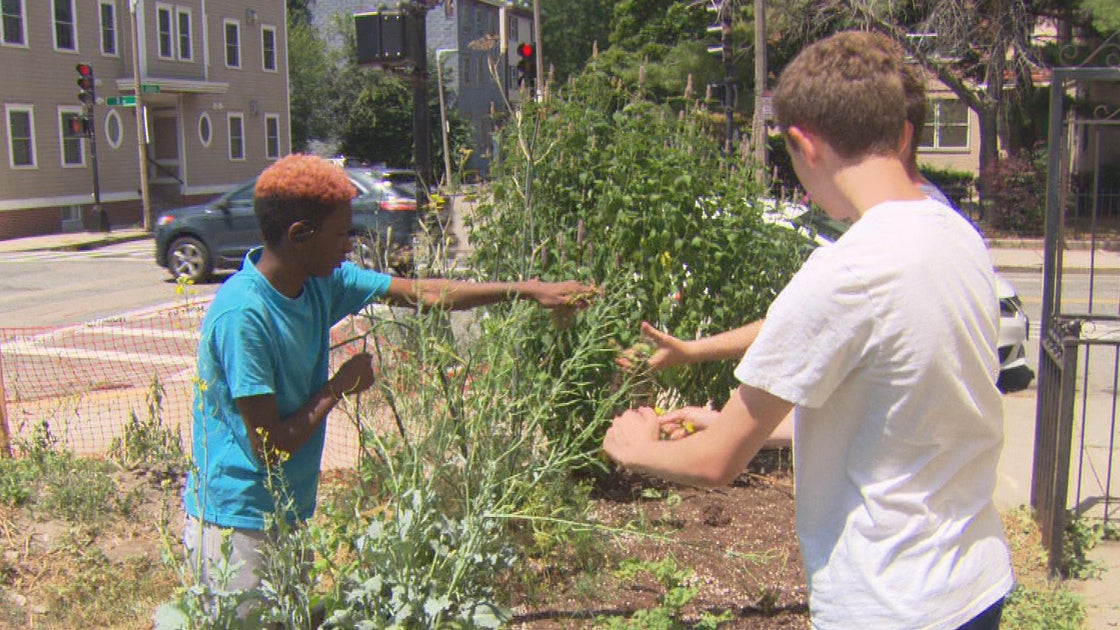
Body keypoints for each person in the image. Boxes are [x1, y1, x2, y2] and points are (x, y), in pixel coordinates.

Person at [603, 31, 1012, 630]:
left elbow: (717, 464)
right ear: (903, 134)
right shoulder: (952, 234)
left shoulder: (847, 270)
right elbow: (891, 400)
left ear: (802, 144)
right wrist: (735, 405)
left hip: (889, 605)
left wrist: (633, 448)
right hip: (972, 585)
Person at [182, 153, 595, 606]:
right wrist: (337, 388)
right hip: (236, 522)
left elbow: (426, 293)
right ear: (300, 235)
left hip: (283, 510)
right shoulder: (245, 316)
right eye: (342, 233)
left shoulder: (318, 283)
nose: (349, 245)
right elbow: (269, 449)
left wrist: (528, 290)